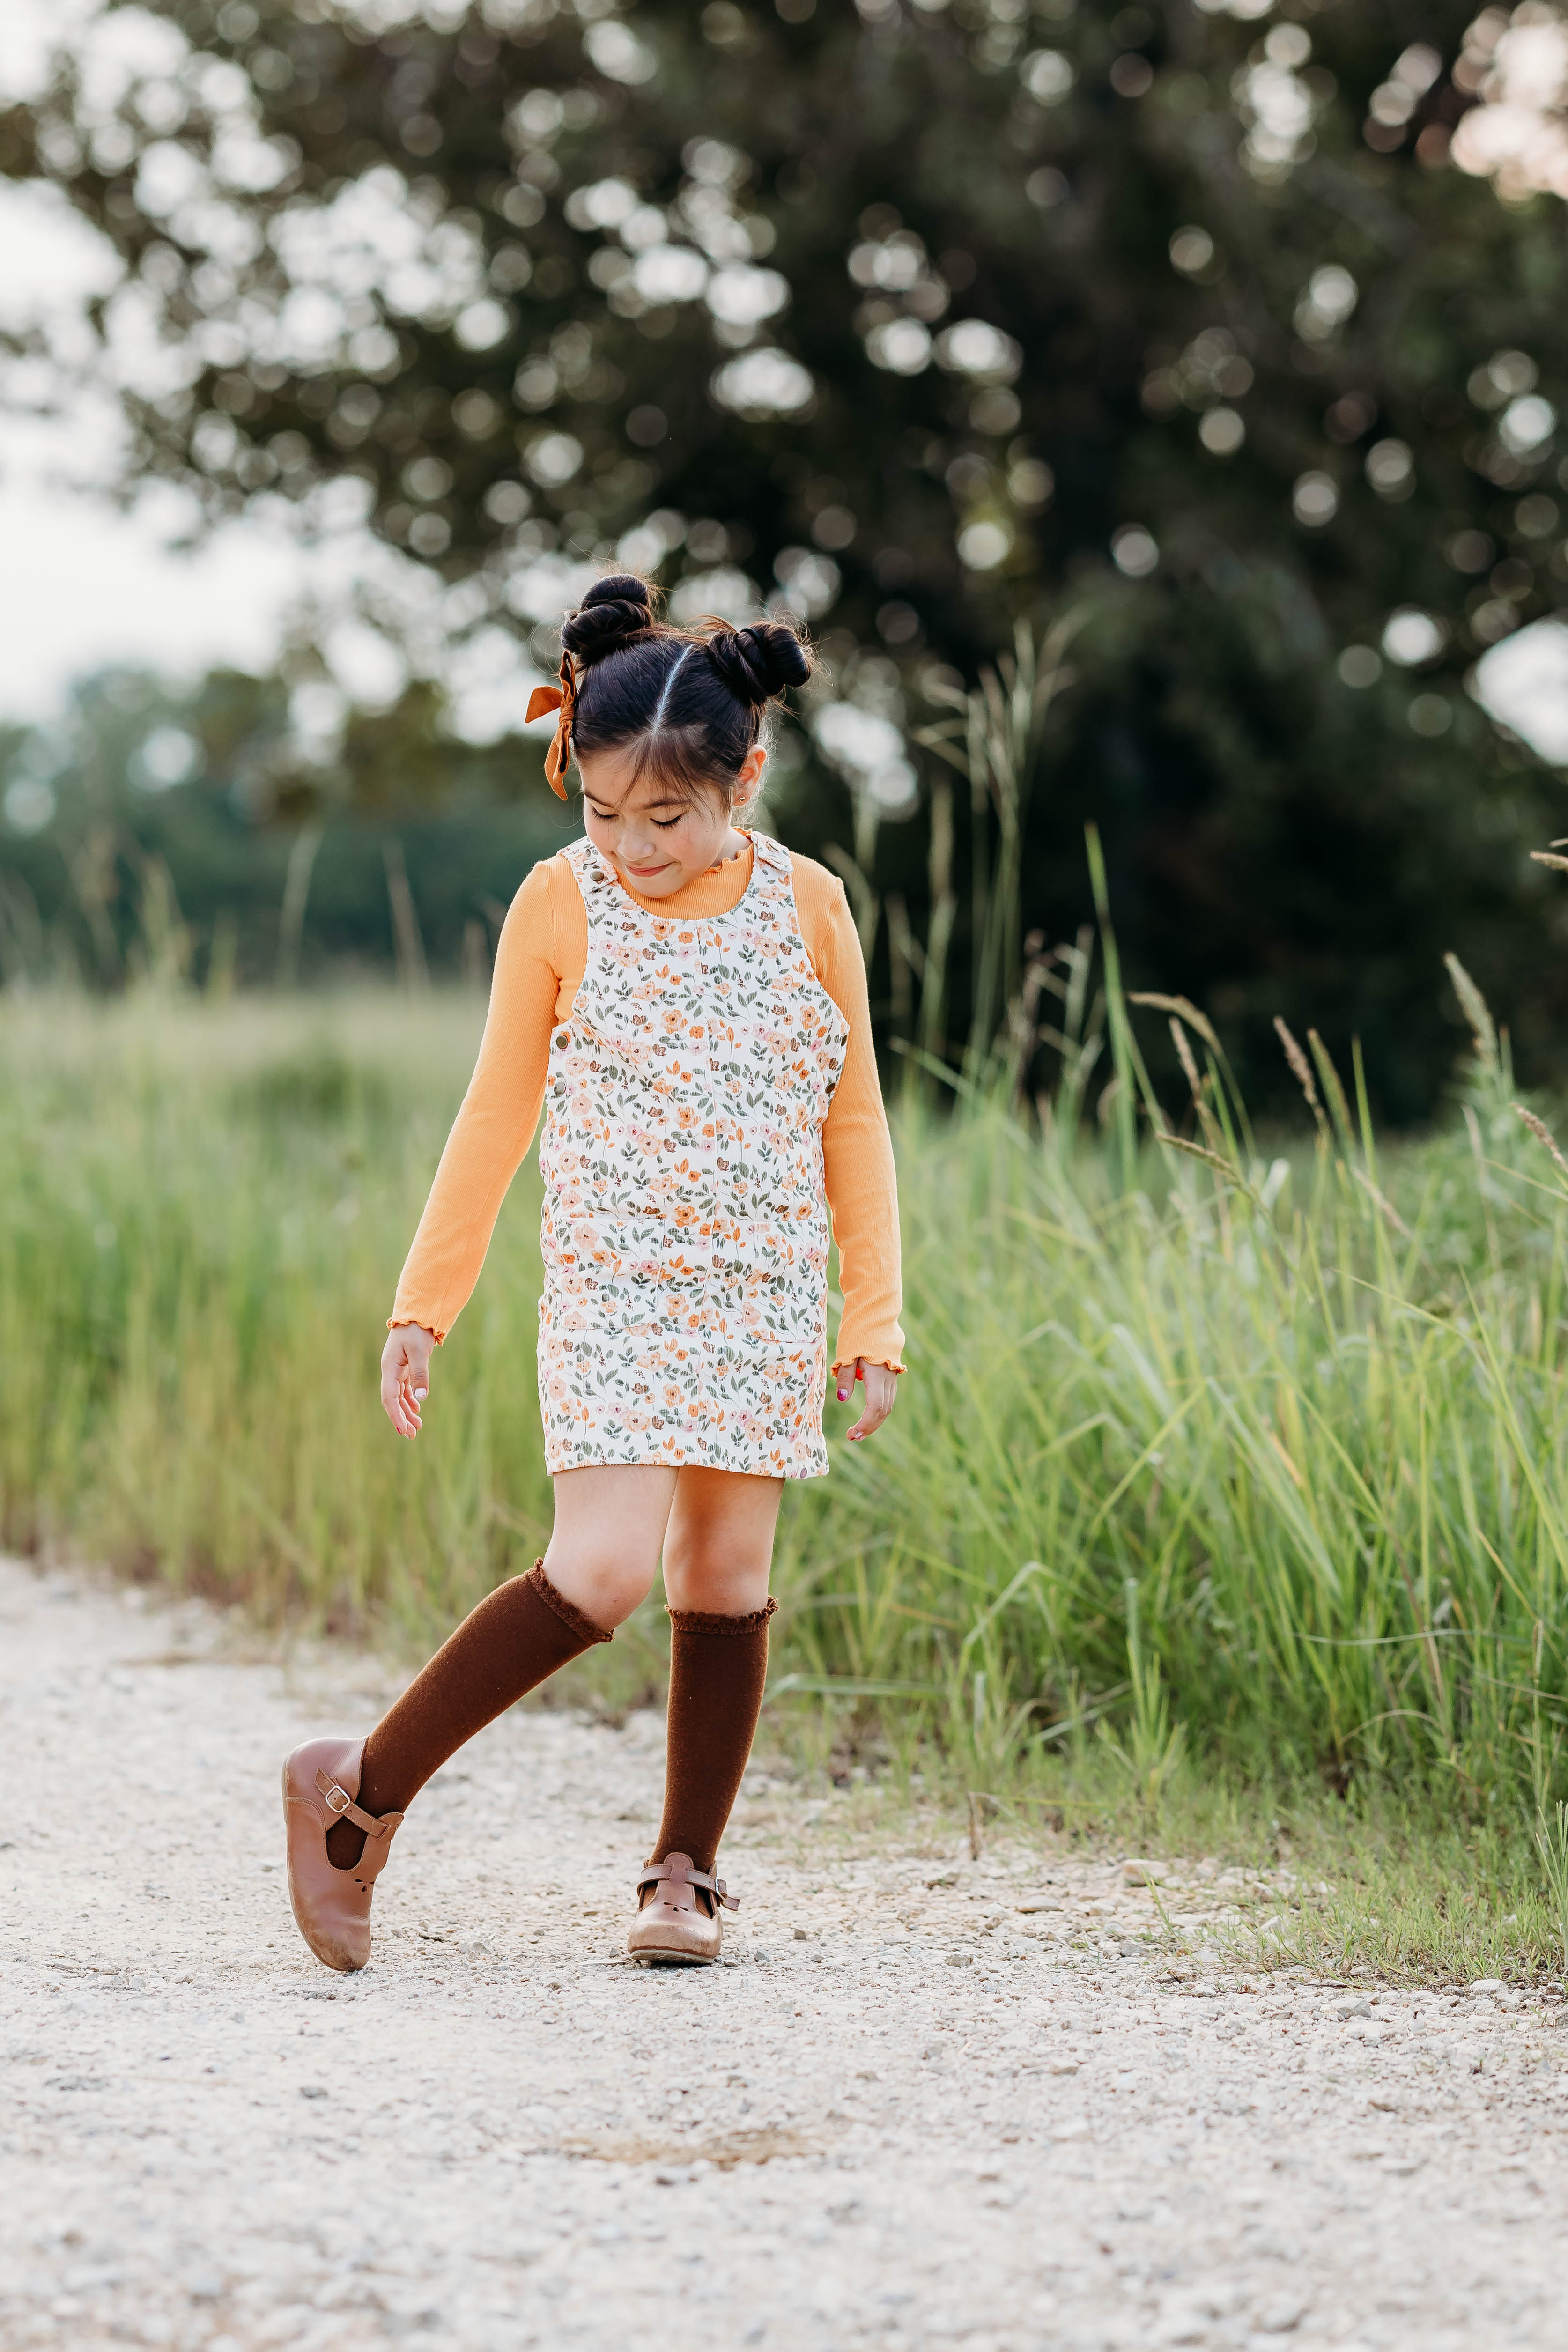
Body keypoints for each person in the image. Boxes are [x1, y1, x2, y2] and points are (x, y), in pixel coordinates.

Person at [281, 573, 904, 1971]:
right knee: (605, 1571)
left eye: (667, 818)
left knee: (727, 1578)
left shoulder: (809, 906)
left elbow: (850, 1112)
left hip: (758, 1287)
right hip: (616, 1288)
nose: (631, 845)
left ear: (747, 774)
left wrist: (873, 1311)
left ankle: (683, 1873)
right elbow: (495, 1113)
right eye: (601, 812)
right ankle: (357, 1794)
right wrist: (421, 1305)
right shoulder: (558, 908)